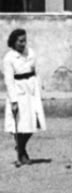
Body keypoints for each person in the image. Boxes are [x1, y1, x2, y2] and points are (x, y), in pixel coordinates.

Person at [3, 29, 45, 167]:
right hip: (18, 92)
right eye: (20, 41)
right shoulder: (8, 58)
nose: (23, 44)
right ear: (13, 42)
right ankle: (23, 152)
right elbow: (9, 81)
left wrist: (39, 87)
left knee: (33, 124)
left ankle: (20, 148)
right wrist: (13, 101)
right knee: (20, 125)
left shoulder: (30, 53)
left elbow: (36, 70)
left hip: (31, 91)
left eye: (24, 40)